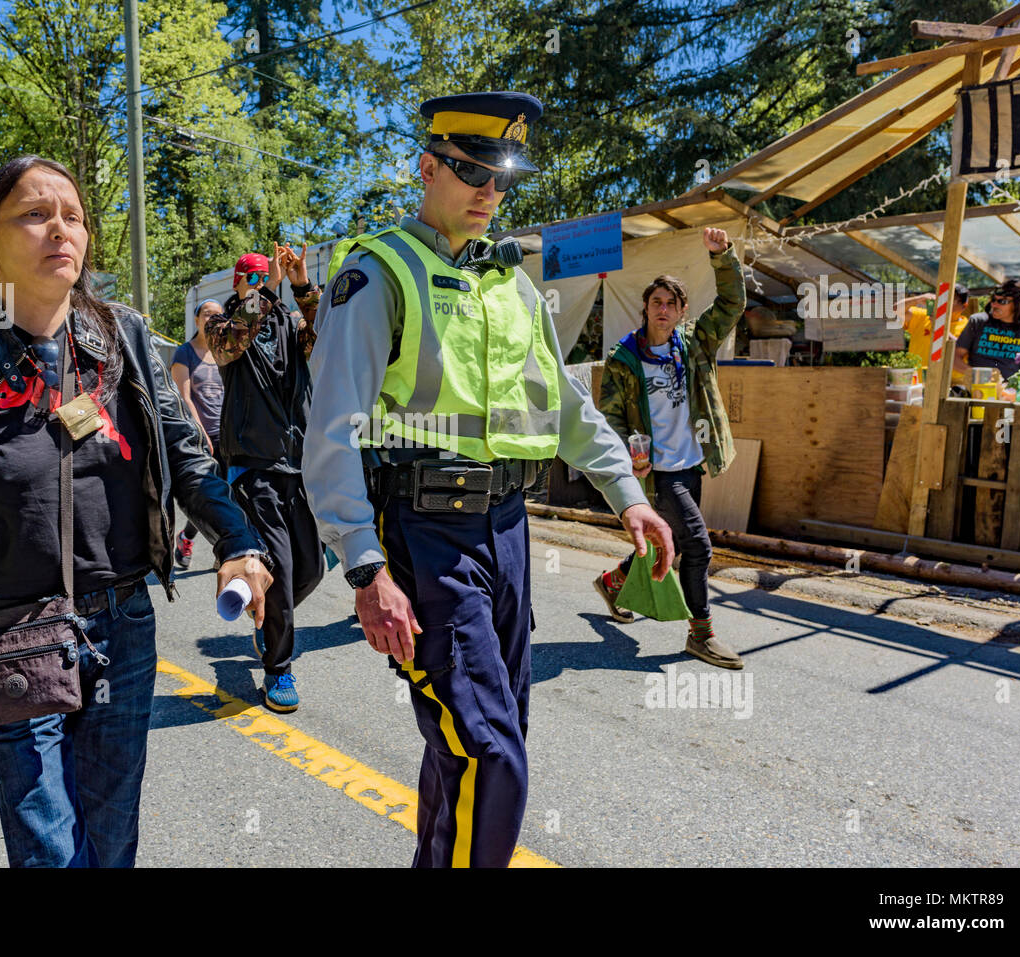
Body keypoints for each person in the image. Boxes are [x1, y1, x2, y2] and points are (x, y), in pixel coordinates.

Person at [0, 155, 273, 867]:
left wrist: (239, 540)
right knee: (49, 853)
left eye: (72, 216)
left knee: (110, 845)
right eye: (35, 214)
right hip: (7, 630)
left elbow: (187, 457)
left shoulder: (122, 335)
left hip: (122, 624)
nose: (60, 231)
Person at [305, 92, 674, 868]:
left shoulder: (511, 285)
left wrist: (630, 498)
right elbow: (333, 431)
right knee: (488, 752)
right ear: (427, 167)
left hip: (509, 531)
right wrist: (364, 567)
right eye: (472, 172)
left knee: (476, 743)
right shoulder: (380, 274)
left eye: (502, 178)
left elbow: (568, 406)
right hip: (425, 533)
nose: (489, 193)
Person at [594, 239, 747, 669]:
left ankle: (614, 581)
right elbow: (610, 419)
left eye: (672, 303)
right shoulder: (625, 359)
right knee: (698, 547)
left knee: (676, 543)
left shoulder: (694, 344)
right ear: (646, 308)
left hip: (691, 464)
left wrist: (723, 257)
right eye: (656, 301)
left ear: (681, 311)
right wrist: (630, 450)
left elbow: (733, 302)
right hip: (657, 473)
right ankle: (702, 635)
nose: (663, 309)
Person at [206, 244, 323, 712]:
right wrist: (268, 288)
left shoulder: (291, 326)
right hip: (252, 467)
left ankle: (266, 610)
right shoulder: (222, 324)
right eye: (250, 277)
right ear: (238, 284)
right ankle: (279, 670)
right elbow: (230, 344)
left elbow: (325, 339)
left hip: (299, 463)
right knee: (284, 566)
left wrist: (300, 286)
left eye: (263, 276)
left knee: (309, 569)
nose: (258, 281)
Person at [170, 299, 227, 570]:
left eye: (218, 315)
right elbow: (183, 397)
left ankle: (221, 549)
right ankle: (189, 537)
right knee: (208, 496)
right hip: (201, 434)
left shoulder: (225, 352)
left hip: (228, 434)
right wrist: (199, 431)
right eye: (207, 314)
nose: (212, 318)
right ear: (196, 320)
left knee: (230, 495)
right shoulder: (185, 352)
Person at [954, 278, 1020, 381]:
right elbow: (955, 358)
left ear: (1018, 304)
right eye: (993, 300)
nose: (994, 305)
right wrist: (977, 375)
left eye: (1002, 301)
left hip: (1018, 393)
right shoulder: (978, 321)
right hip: (978, 390)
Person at [893, 284, 971, 378]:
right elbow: (895, 310)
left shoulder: (968, 327)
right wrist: (918, 299)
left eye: (951, 299)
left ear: (964, 306)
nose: (945, 302)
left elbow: (960, 351)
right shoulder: (924, 316)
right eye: (943, 297)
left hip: (947, 387)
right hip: (916, 384)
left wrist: (940, 328)